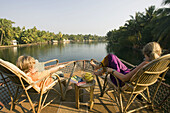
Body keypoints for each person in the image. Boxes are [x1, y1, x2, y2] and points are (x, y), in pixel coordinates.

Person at [90, 42, 162, 87]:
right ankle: (99, 69)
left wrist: (112, 71)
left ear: (145, 53)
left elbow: (124, 78)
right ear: (158, 53)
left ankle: (98, 69)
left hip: (121, 82)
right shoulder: (158, 64)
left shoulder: (145, 64)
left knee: (110, 57)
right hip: (132, 78)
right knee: (114, 58)